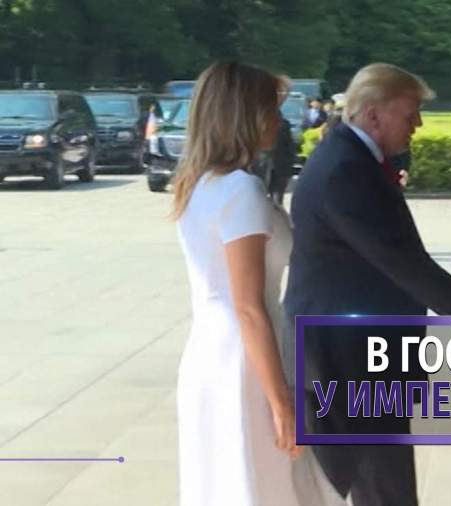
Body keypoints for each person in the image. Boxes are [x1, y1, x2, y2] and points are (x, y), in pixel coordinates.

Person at [283, 62, 451, 506]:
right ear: (374, 114)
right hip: (343, 357)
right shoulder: (344, 169)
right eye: (410, 114)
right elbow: (398, 259)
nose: (418, 124)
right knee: (349, 485)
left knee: (381, 482)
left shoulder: (350, 157)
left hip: (361, 351)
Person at [170, 61, 303, 505]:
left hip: (213, 354)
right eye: (272, 109)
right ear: (245, 115)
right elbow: (247, 306)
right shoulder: (240, 191)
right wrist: (281, 403)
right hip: (245, 364)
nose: (279, 120)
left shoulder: (198, 185)